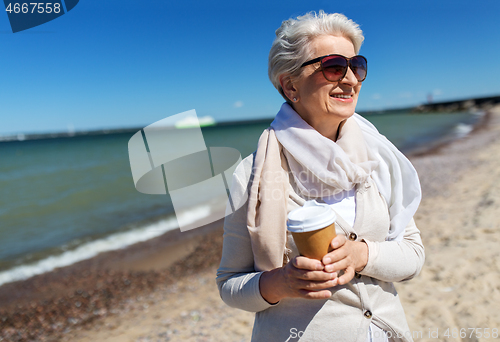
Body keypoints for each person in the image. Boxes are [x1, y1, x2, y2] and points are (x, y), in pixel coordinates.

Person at [216, 11, 424, 342]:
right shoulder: (252, 173)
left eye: (356, 66)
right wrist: (281, 283)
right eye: (333, 67)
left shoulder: (379, 156)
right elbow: (229, 284)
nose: (351, 80)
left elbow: (413, 255)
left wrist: (361, 255)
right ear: (290, 85)